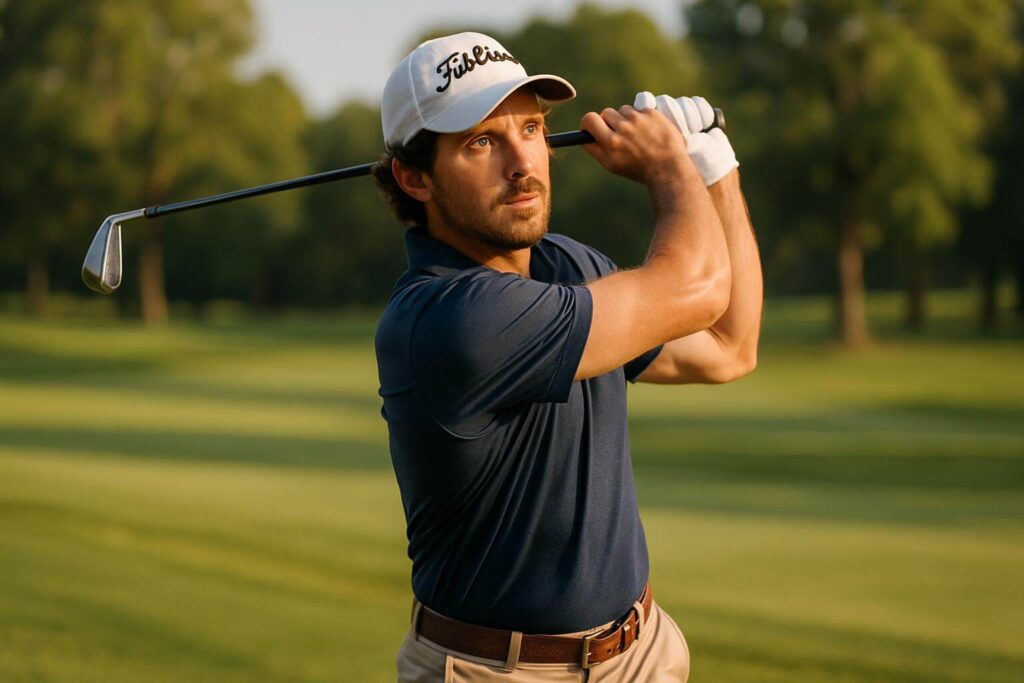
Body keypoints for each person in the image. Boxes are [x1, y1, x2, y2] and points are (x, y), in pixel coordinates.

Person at [372, 31, 762, 682]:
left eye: (530, 128)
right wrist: (671, 167)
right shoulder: (449, 318)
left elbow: (728, 346)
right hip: (496, 670)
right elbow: (697, 288)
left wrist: (715, 168)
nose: (521, 162)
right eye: (481, 142)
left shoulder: (568, 266)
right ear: (415, 178)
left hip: (639, 654)